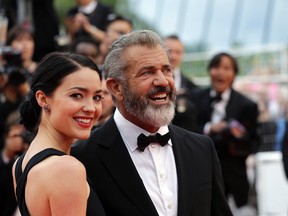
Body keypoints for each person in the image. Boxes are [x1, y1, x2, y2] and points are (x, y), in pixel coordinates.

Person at [72, 30, 232, 216]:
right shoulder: (83, 158)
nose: (163, 81)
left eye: (166, 70)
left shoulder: (202, 149)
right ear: (116, 88)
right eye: (147, 72)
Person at [12, 52, 106, 216]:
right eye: (77, 95)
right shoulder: (67, 169)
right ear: (43, 99)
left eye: (97, 97)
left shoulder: (20, 165)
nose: (91, 108)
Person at [194, 52, 259, 211]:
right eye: (216, 67)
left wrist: (237, 137)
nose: (221, 72)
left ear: (234, 74)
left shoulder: (247, 105)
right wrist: (210, 128)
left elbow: (254, 142)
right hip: (201, 174)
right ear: (209, 71)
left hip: (234, 177)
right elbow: (186, 130)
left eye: (227, 68)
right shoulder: (195, 99)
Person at [164, 35, 199, 131]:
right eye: (169, 51)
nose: (173, 56)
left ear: (182, 54)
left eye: (178, 52)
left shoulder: (194, 88)